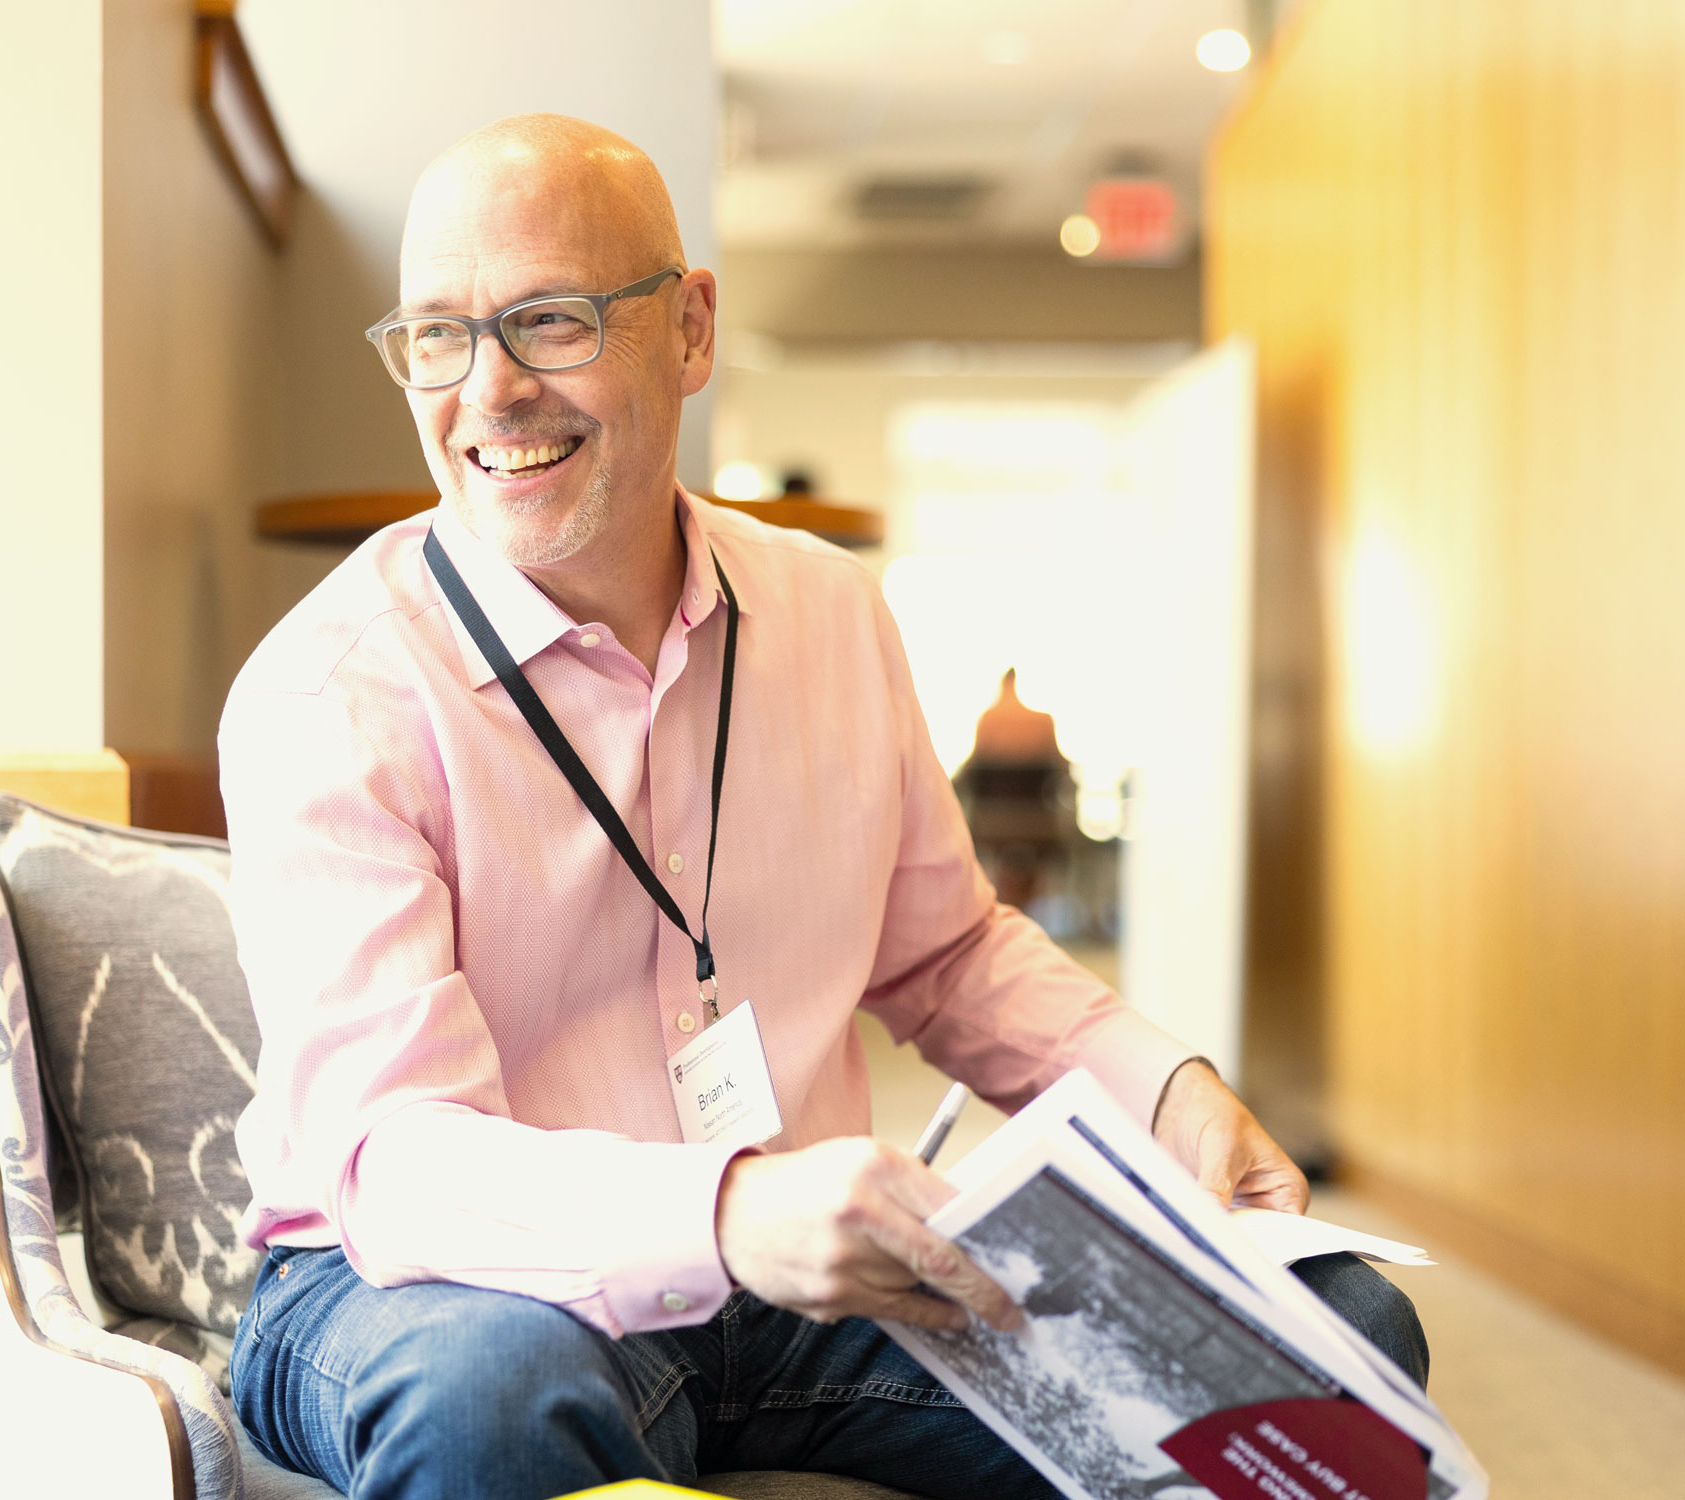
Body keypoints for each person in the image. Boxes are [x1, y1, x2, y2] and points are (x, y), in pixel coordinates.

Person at [219, 114, 1426, 1500]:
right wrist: (728, 1213)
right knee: (492, 1392)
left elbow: (949, 955)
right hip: (438, 1278)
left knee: (1332, 1331)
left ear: (688, 331)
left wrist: (1170, 1093)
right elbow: (398, 1162)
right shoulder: (331, 691)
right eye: (438, 334)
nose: (486, 390)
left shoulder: (829, 612)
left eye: (546, 321)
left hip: (805, 1286)